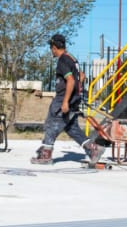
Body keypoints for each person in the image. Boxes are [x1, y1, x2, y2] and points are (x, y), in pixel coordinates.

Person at [31, 34, 104, 166]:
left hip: (63, 98)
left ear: (54, 47)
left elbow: (70, 80)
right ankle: (93, 149)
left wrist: (65, 101)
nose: (51, 51)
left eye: (51, 48)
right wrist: (76, 92)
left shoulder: (62, 60)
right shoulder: (72, 59)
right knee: (71, 128)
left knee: (51, 123)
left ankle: (45, 156)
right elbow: (81, 76)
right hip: (74, 98)